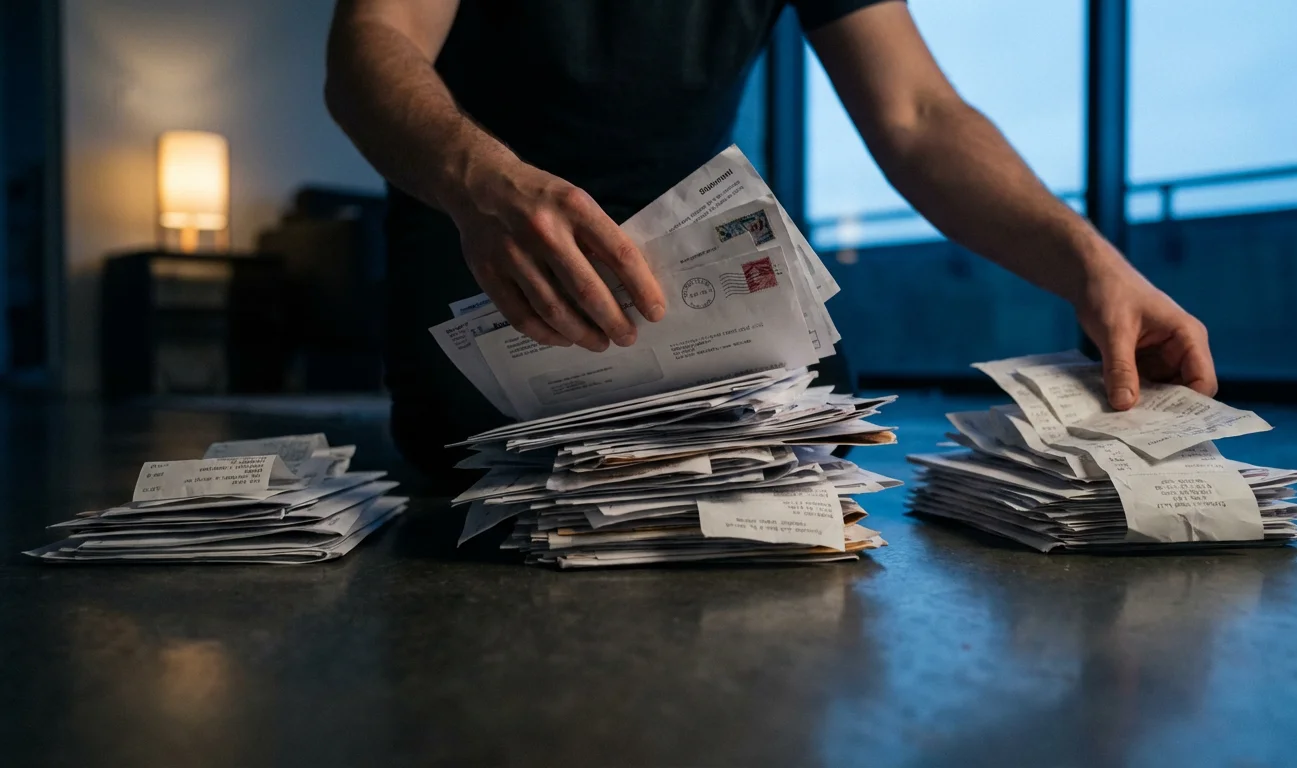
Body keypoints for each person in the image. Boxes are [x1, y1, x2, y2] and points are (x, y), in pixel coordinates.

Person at [325, 0, 1218, 486]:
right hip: (487, 271)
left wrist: (1092, 260)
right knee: (496, 500)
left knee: (802, 469)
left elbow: (919, 115)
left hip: (706, 294)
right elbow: (375, 35)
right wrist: (479, 181)